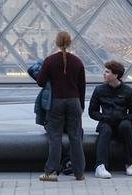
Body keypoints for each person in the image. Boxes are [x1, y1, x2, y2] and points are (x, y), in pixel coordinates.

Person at [36, 31, 86, 182]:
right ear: (70, 42)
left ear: (56, 43)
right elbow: (82, 86)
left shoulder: (50, 61)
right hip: (74, 101)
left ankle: (51, 172)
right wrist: (81, 105)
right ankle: (79, 173)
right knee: (75, 137)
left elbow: (40, 81)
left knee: (55, 138)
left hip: (56, 102)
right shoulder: (77, 61)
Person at [88, 60, 132, 179]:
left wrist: (123, 118)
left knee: (126, 126)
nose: (104, 74)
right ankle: (100, 166)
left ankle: (129, 163)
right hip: (105, 122)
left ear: (116, 75)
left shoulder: (129, 92)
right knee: (105, 130)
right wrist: (103, 117)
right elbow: (92, 112)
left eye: (107, 72)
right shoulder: (99, 90)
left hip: (122, 123)